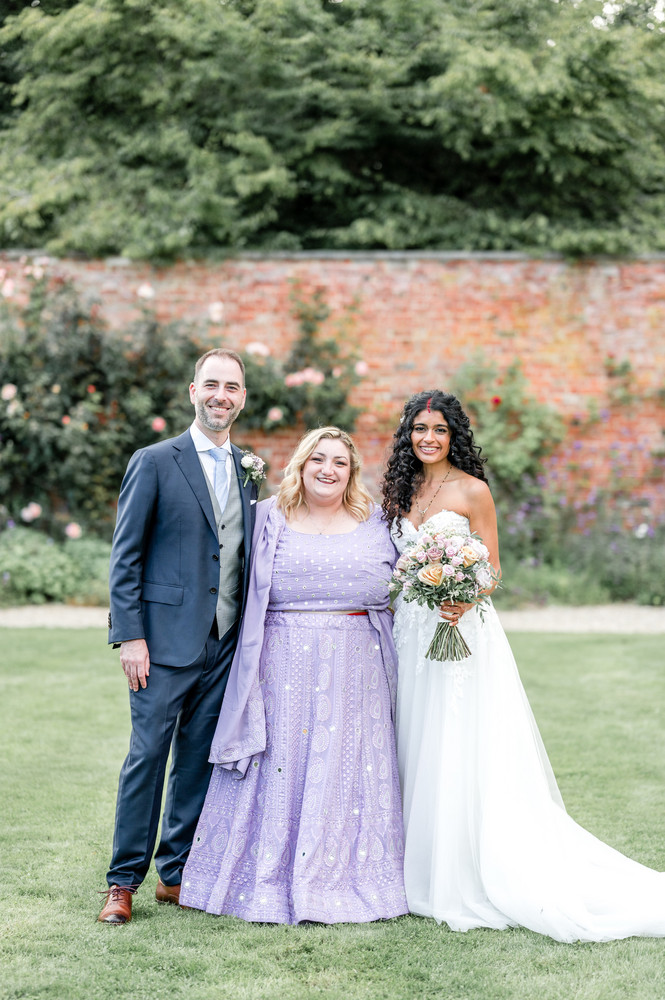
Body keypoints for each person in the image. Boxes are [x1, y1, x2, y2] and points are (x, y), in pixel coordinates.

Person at [381, 389, 665, 943]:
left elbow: (492, 571)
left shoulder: (473, 490)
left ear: (454, 436)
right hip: (410, 634)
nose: (428, 438)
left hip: (462, 632)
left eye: (439, 430)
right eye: (419, 429)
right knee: (414, 737)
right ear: (407, 435)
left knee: (457, 741)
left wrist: (464, 594)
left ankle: (462, 869)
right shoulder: (399, 489)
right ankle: (415, 862)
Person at [179, 427, 409, 924]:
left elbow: (407, 585)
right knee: (280, 763)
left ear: (352, 472)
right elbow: (219, 572)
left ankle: (348, 876)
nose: (328, 470)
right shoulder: (267, 516)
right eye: (318, 459)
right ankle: (261, 876)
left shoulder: (379, 521)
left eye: (340, 462)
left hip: (358, 666)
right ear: (300, 466)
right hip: (279, 664)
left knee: (349, 766)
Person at [98, 348, 260, 924]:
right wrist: (130, 636)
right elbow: (126, 556)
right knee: (147, 757)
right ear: (193, 391)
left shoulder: (249, 469)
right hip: (162, 643)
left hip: (224, 643)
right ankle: (122, 882)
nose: (221, 396)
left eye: (232, 387)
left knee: (196, 760)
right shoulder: (154, 461)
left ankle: (175, 873)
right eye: (211, 384)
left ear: (243, 398)